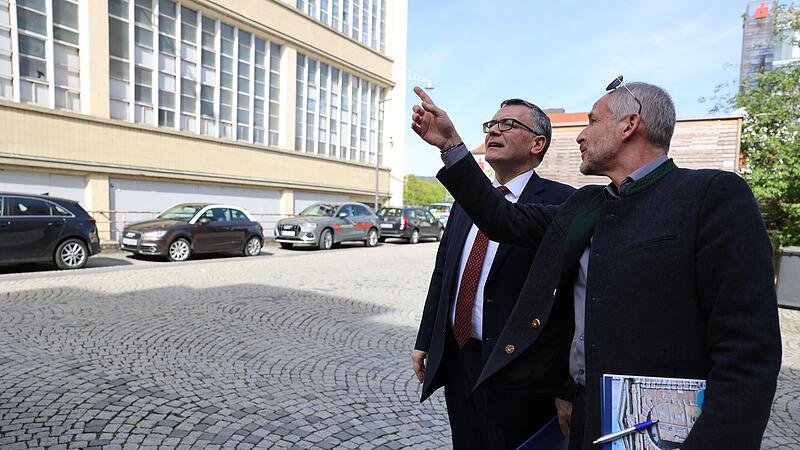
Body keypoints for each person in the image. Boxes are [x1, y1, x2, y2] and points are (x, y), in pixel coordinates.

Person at [410, 79, 781, 450]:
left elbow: (747, 353)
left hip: (666, 426)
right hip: (589, 416)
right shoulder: (586, 206)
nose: (580, 136)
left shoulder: (710, 196)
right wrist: (451, 146)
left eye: (592, 121)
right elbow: (501, 219)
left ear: (629, 125)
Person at [412, 98, 575, 449]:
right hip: (459, 359)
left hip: (519, 372)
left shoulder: (562, 203)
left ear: (537, 143)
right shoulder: (466, 201)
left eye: (508, 125)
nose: (494, 131)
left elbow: (568, 307)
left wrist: (566, 387)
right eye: (491, 125)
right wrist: (426, 339)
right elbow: (444, 274)